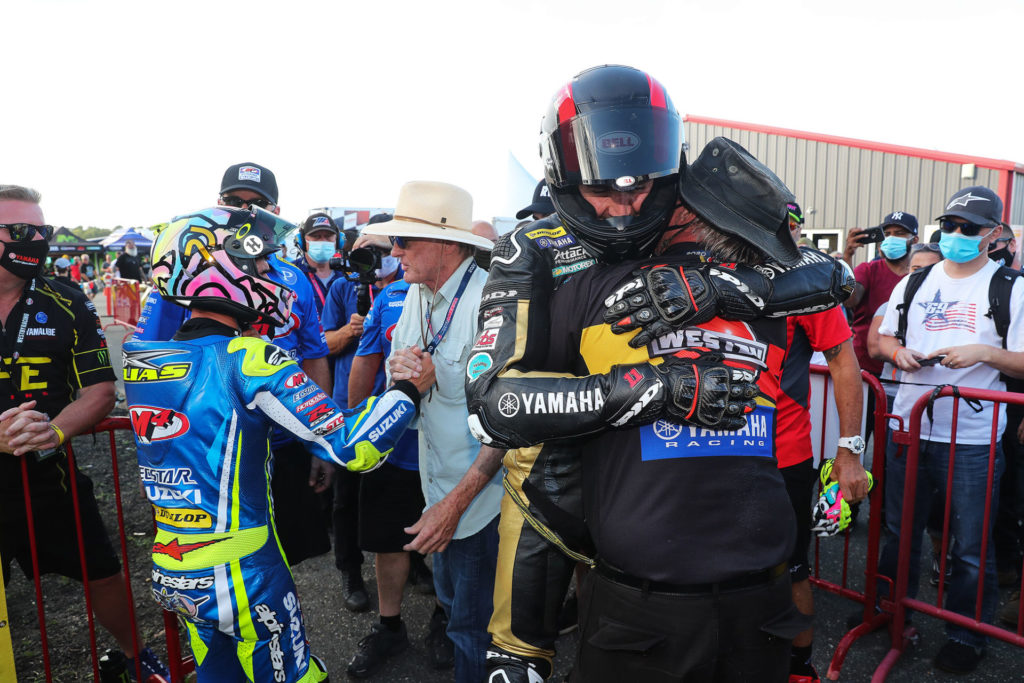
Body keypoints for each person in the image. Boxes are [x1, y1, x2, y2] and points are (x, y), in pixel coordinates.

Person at [464, 66, 855, 683]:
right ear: (563, 176)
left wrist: (721, 286)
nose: (626, 205)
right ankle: (519, 645)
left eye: (643, 186)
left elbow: (831, 276)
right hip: (561, 484)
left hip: (716, 536)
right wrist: (654, 391)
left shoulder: (696, 217)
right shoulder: (533, 248)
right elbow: (492, 404)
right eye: (604, 190)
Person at [124, 205, 433, 683]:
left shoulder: (141, 360)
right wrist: (408, 391)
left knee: (218, 674)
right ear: (222, 270)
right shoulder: (251, 357)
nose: (276, 278)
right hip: (242, 572)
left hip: (173, 565)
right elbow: (354, 448)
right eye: (264, 266)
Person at [0, 185, 168, 680]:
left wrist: (52, 434)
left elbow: (99, 391)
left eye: (42, 231)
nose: (36, 240)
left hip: (49, 476)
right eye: (21, 231)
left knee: (104, 573)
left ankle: (138, 659)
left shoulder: (68, 300)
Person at [134, 162, 335, 571]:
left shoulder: (294, 280)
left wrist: (321, 444)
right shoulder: (187, 275)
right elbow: (151, 368)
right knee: (213, 561)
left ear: (275, 211)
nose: (246, 213)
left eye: (258, 205)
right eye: (235, 202)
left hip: (284, 442)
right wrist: (159, 458)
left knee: (285, 558)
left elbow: (314, 355)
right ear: (218, 204)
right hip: (210, 451)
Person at [876, 185, 1024, 674]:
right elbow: (880, 337)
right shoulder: (916, 282)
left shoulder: (1012, 287)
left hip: (974, 437)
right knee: (899, 533)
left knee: (969, 544)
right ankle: (892, 612)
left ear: (995, 234)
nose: (956, 235)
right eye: (951, 226)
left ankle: (967, 633)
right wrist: (897, 352)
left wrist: (983, 352)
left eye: (969, 229)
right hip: (911, 426)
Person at [362, 181, 503, 683]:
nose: (394, 251)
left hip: (477, 499)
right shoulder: (416, 296)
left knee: (474, 627)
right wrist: (400, 379)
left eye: (405, 241)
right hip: (435, 487)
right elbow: (398, 378)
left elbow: (509, 419)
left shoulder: (489, 302)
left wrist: (436, 380)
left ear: (446, 244)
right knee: (453, 607)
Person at [777, 202, 870, 683]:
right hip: (711, 457)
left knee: (790, 567)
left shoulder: (807, 280)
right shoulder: (699, 270)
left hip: (783, 454)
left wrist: (850, 452)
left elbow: (844, 364)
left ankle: (800, 668)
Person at [841, 210, 919, 442]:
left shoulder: (920, 276)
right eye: (887, 234)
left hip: (903, 377)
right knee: (854, 440)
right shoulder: (869, 269)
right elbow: (849, 300)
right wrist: (848, 256)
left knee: (890, 447)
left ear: (914, 239)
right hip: (864, 372)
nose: (892, 238)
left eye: (900, 233)